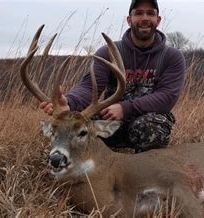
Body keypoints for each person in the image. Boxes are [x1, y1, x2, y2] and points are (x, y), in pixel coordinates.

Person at [40, 0, 186, 152]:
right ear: (129, 20)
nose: (144, 18)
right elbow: (89, 86)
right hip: (110, 118)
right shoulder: (107, 52)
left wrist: (125, 108)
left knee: (151, 127)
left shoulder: (172, 56)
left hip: (147, 121)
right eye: (138, 13)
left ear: (158, 20)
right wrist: (70, 102)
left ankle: (144, 171)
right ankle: (87, 171)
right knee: (77, 125)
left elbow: (167, 97)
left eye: (150, 13)